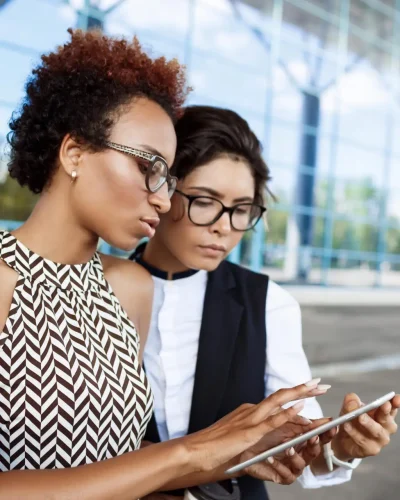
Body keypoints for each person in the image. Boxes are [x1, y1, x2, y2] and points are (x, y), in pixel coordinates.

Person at [0, 30, 333, 499]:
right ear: (74, 153)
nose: (162, 198)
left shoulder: (131, 288)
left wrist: (242, 451)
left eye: (168, 177)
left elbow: (117, 463)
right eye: (148, 167)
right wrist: (189, 451)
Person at [132, 105, 400, 499]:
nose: (224, 225)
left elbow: (297, 443)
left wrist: (342, 449)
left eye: (242, 210)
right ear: (163, 190)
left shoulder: (269, 304)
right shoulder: (99, 288)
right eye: (205, 201)